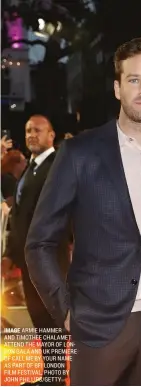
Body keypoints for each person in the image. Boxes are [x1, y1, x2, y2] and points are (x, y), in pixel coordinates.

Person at [25, 37, 141, 386]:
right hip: (96, 326)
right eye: (134, 80)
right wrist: (66, 311)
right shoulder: (78, 153)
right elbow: (39, 242)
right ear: (118, 88)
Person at [2, 115, 70, 386]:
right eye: (28, 130)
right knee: (41, 319)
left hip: (50, 259)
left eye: (38, 131)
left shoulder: (57, 167)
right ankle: (52, 376)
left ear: (51, 135)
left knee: (52, 319)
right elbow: (21, 217)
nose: (32, 135)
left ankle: (55, 377)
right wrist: (10, 254)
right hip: (30, 260)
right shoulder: (30, 168)